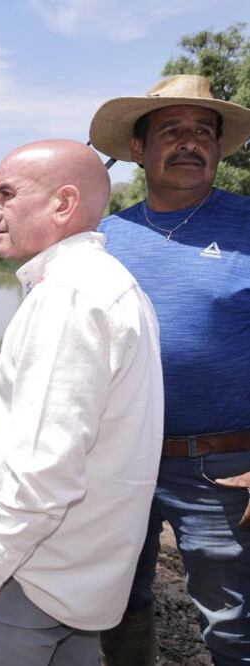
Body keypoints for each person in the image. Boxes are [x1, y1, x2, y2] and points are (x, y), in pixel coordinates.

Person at [0, 139, 164, 665]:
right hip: (76, 585)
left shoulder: (69, 296)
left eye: (5, 194)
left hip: (27, 584)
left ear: (63, 204)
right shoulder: (109, 285)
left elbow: (47, 466)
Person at [90, 75, 250, 665]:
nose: (190, 142)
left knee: (234, 624)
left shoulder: (248, 227)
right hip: (116, 464)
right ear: (138, 150)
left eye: (202, 131)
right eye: (172, 130)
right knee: (113, 605)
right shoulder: (104, 239)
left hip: (225, 468)